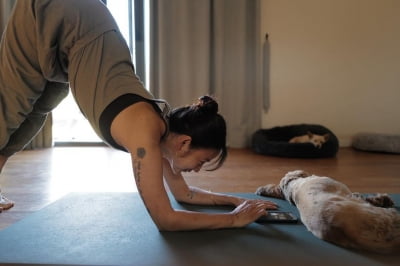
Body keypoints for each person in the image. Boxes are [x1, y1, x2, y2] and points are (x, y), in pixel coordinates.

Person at [0, 0, 277, 229]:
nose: (197, 170)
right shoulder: (145, 130)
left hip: (79, 37)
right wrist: (233, 220)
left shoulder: (164, 136)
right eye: (202, 161)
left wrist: (234, 202)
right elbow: (165, 219)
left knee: (35, 114)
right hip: (56, 9)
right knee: (9, 109)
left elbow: (184, 194)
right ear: (184, 142)